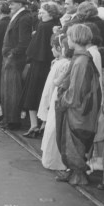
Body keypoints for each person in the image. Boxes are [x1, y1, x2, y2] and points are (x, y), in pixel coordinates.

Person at [55, 24, 103, 186]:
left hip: (79, 112)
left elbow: (75, 92)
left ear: (75, 39)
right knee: (71, 143)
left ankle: (78, 173)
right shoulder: (82, 58)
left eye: (68, 37)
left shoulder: (81, 61)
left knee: (74, 144)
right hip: (80, 110)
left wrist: (62, 101)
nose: (67, 40)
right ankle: (74, 171)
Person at [21, 2, 60, 137]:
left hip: (38, 64)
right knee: (45, 94)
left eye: (42, 12)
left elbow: (34, 48)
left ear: (50, 13)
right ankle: (43, 124)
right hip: (48, 64)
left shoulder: (43, 26)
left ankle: (34, 125)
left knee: (32, 95)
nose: (40, 14)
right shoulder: (55, 25)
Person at [0, 0, 33, 130]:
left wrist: (12, 54)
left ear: (20, 4)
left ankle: (13, 120)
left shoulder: (24, 18)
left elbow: (24, 42)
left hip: (15, 60)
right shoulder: (19, 16)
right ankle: (8, 118)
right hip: (10, 58)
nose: (10, 6)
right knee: (7, 91)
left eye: (12, 3)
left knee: (12, 91)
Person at [38, 34, 71, 171]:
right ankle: (50, 158)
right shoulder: (60, 62)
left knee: (54, 129)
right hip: (53, 98)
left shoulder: (65, 64)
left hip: (57, 97)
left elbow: (55, 84)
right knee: (52, 128)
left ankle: (55, 161)